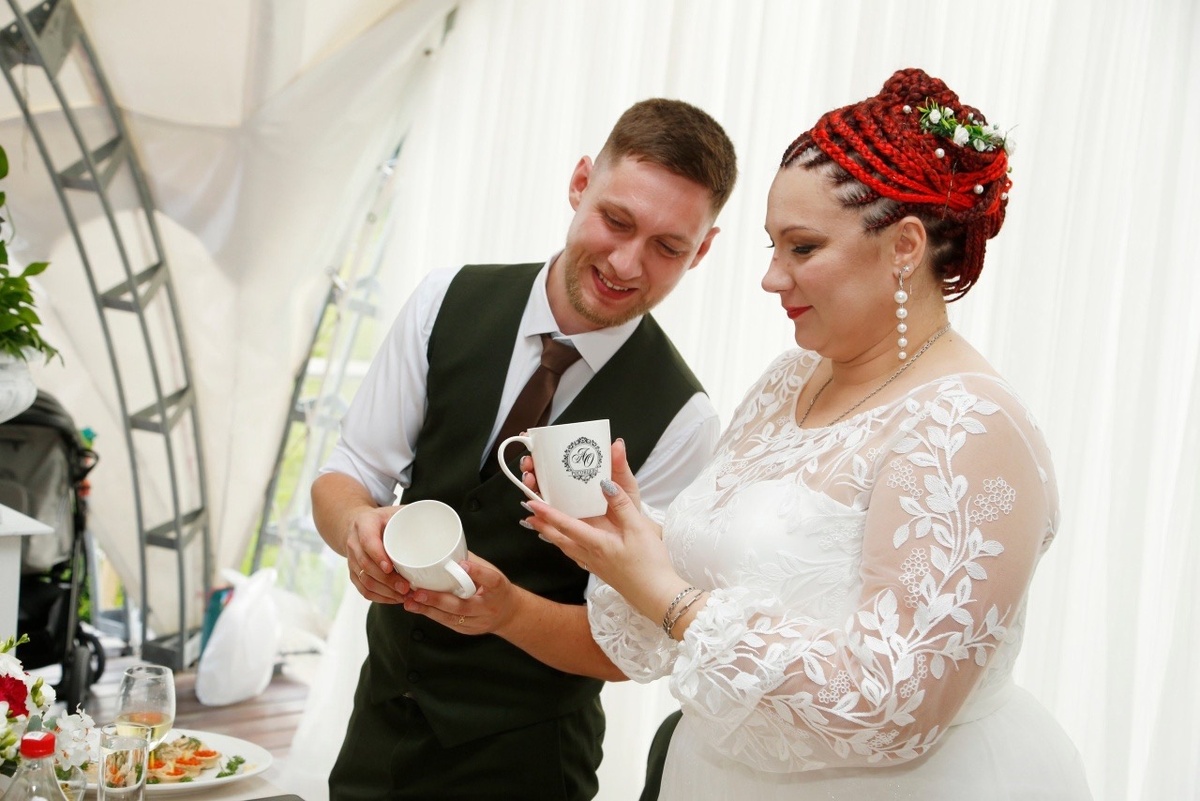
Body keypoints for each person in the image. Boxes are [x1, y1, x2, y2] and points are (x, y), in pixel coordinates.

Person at [523, 69, 1092, 799]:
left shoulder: (969, 428)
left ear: (905, 247)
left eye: (802, 248)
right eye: (772, 246)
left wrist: (668, 596)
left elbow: (891, 704)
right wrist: (632, 535)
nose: (771, 277)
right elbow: (750, 566)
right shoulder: (791, 378)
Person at [311, 97, 738, 800]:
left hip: (532, 764)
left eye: (669, 247)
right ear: (580, 183)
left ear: (704, 250)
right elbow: (348, 472)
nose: (627, 263)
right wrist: (355, 526)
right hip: (380, 730)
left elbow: (629, 646)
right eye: (616, 220)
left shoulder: (684, 420)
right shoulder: (444, 300)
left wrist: (508, 611)